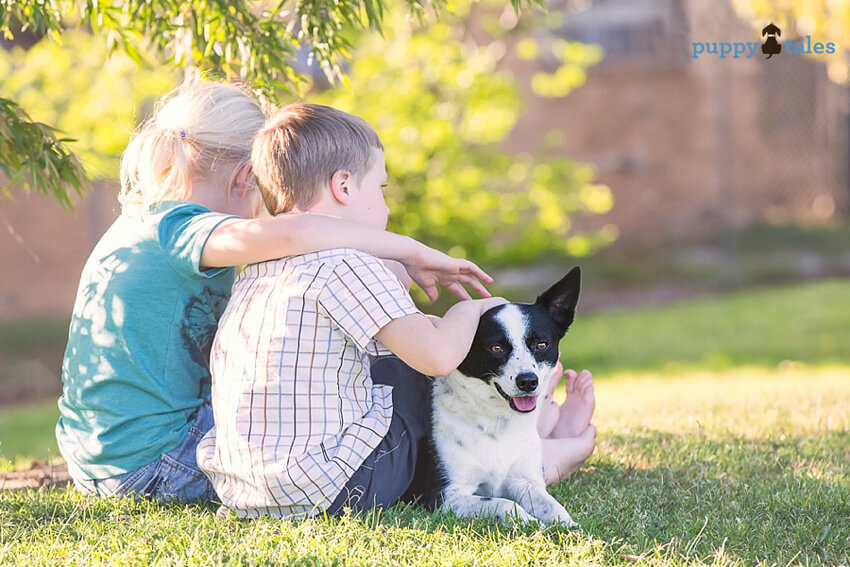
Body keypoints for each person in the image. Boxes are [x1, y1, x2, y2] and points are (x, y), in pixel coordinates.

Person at [55, 81, 494, 503]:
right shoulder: (180, 228)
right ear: (249, 175)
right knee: (379, 389)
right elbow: (296, 231)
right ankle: (507, 463)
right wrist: (412, 252)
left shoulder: (142, 223)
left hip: (102, 459)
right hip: (157, 460)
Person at [197, 103, 595, 519]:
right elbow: (439, 358)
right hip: (335, 490)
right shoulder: (349, 265)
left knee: (395, 352)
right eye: (381, 189)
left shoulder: (256, 271)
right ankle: (537, 453)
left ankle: (533, 436)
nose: (385, 207)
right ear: (344, 187)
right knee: (414, 366)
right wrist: (474, 310)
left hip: (245, 493)